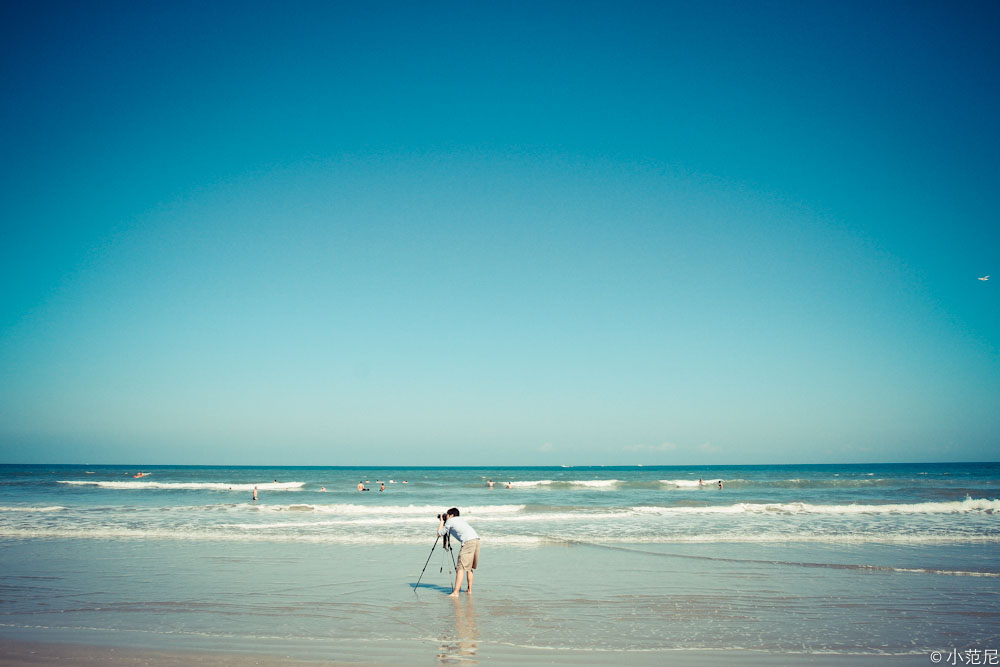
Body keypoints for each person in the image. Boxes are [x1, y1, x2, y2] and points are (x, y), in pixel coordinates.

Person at [437, 508, 480, 597]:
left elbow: (439, 533)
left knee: (460, 567)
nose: (446, 516)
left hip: (468, 542)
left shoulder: (450, 521)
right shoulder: (461, 519)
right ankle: (469, 590)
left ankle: (456, 593)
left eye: (447, 515)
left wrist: (441, 522)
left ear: (451, 515)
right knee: (468, 567)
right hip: (476, 539)